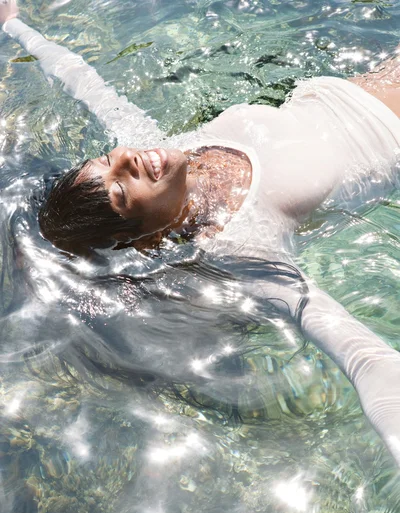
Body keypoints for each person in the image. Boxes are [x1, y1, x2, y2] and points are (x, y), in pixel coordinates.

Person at [2, 0, 400, 467]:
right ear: (146, 240)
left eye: (109, 160)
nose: (127, 159)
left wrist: (15, 27)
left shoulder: (170, 150)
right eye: (121, 191)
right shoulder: (245, 246)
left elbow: (83, 82)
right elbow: (363, 356)